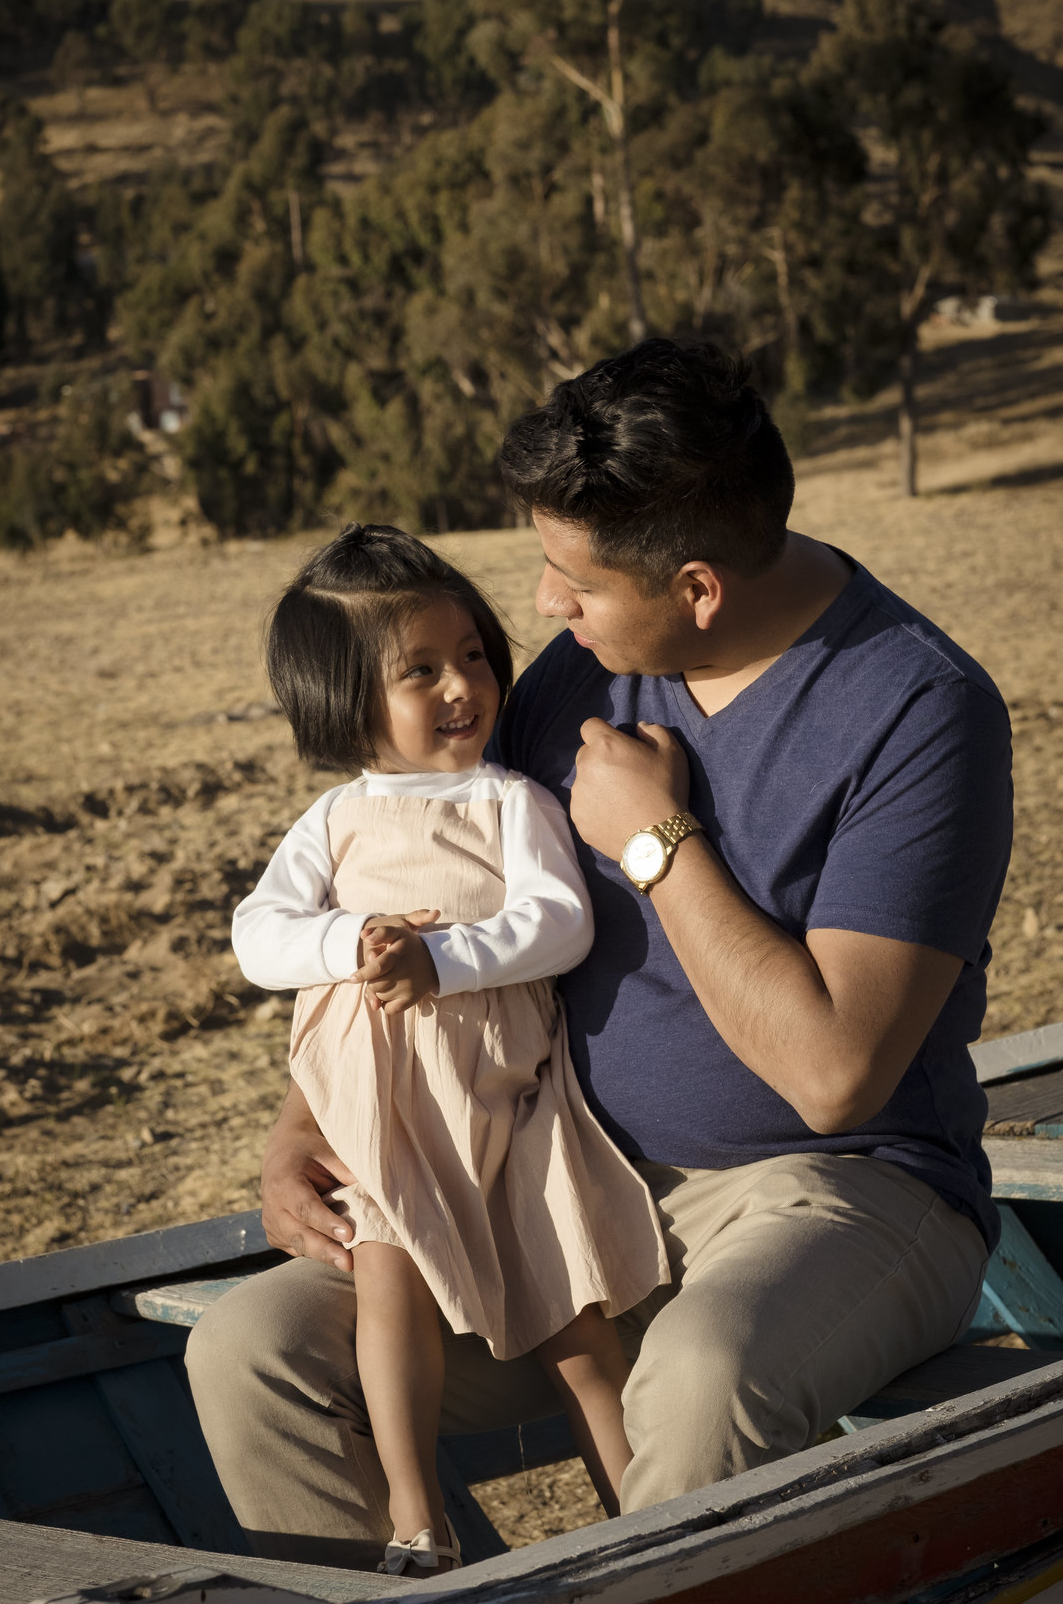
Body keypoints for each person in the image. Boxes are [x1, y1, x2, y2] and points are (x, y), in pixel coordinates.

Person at [186, 339, 1011, 1567]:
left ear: (697, 588)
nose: (542, 610)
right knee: (254, 1352)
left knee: (700, 1377)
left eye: (572, 576)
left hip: (835, 1193)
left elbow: (837, 1073)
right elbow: (432, 888)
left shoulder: (918, 712)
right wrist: (308, 1117)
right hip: (548, 1169)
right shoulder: (580, 672)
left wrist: (659, 844)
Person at [226, 523, 668, 1575]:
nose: (462, 685)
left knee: (577, 1323)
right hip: (387, 1122)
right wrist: (348, 942)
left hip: (511, 1104)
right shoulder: (334, 823)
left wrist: (447, 961)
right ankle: (416, 1523)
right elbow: (258, 935)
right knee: (391, 1292)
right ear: (345, 702)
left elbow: (562, 921)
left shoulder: (507, 802)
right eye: (420, 670)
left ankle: (644, 1512)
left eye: (472, 655)